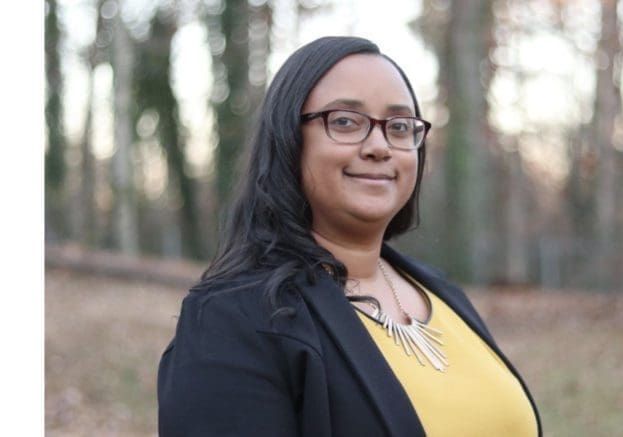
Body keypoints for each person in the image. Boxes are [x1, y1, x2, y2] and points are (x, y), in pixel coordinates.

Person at [157, 36, 542, 436]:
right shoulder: (234, 318)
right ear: (289, 139)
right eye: (345, 121)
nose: (379, 146)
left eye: (398, 126)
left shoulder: (442, 293)